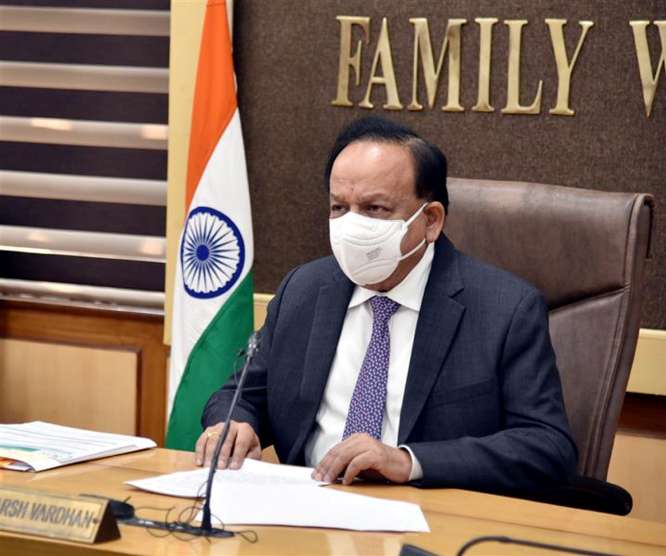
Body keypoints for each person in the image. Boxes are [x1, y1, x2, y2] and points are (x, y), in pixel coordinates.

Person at [196, 116, 577, 492]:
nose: (352, 226)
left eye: (375, 209)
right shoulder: (304, 290)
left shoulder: (505, 309)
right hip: (307, 504)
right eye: (339, 207)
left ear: (431, 220)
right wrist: (234, 424)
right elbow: (241, 395)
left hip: (430, 515)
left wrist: (409, 462)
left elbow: (547, 447)